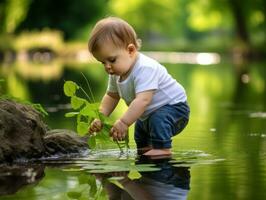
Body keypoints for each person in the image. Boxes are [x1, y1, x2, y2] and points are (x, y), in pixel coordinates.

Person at [87, 17, 190, 156]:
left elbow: (143, 101)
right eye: (102, 62)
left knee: (156, 119)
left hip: (174, 109)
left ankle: (163, 149)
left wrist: (123, 122)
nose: (107, 67)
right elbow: (112, 96)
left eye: (111, 60)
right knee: (140, 131)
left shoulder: (145, 68)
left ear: (130, 50)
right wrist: (100, 117)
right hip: (148, 113)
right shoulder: (115, 73)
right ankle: (145, 151)